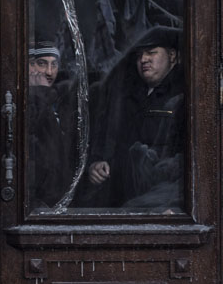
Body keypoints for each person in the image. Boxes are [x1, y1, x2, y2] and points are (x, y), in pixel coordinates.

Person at [83, 26, 185, 212]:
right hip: (119, 198)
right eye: (138, 55)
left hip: (159, 203)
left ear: (172, 56)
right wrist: (97, 163)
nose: (143, 59)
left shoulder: (183, 96)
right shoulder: (125, 95)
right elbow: (107, 136)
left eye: (151, 53)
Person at [27, 40, 78, 209]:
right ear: (29, 66)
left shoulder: (60, 100)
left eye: (54, 65)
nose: (49, 72)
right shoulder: (22, 100)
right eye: (42, 64)